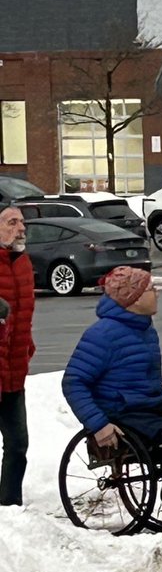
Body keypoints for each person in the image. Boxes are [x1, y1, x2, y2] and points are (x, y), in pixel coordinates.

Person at [62, 267, 162, 471]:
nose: (157, 293)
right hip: (121, 413)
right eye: (151, 289)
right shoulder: (102, 334)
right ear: (134, 298)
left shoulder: (145, 329)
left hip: (149, 408)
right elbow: (73, 382)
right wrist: (99, 424)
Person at [0, 207, 33, 507]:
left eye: (21, 222)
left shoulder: (22, 262)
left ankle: (9, 508)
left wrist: (27, 347)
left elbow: (25, 315)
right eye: (12, 222)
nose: (21, 228)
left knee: (18, 444)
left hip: (14, 369)